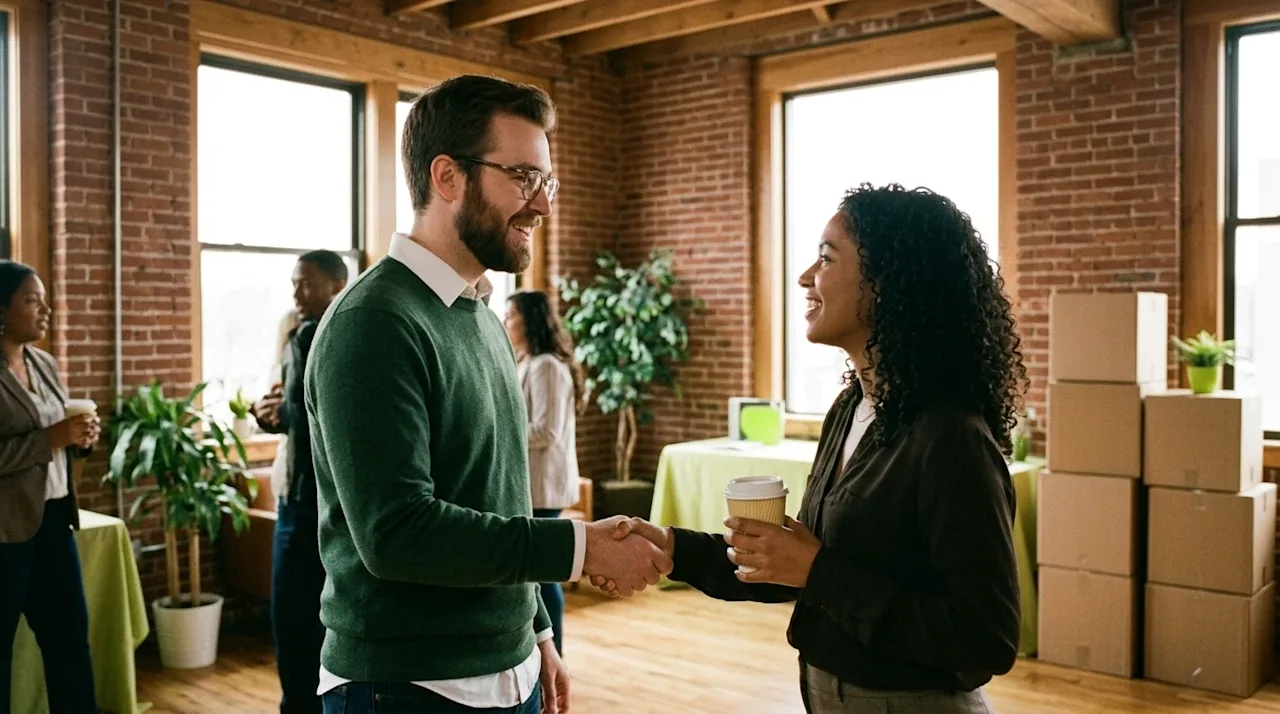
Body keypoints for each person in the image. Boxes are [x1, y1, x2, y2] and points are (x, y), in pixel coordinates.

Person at [305, 74, 671, 714]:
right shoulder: (374, 323)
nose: (543, 205)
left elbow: (498, 496)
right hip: (407, 686)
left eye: (545, 181)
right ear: (447, 178)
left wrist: (535, 632)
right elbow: (397, 534)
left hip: (509, 668)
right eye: (523, 178)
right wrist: (580, 550)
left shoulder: (478, 315)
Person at [602, 184, 1026, 713]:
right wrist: (671, 547)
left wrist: (818, 570)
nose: (805, 277)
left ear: (888, 282)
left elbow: (986, 637)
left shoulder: (949, 436)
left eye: (826, 259)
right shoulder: (850, 409)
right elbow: (793, 565)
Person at [0, 260, 101, 714]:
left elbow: (56, 441)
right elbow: (43, 441)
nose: (47, 310)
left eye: (45, 300)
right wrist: (50, 440)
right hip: (4, 533)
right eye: (32, 300)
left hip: (55, 521)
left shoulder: (45, 363)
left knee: (70, 644)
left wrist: (79, 441)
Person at [252, 251, 348, 714]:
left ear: (336, 284)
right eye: (293, 284)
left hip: (311, 500)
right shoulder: (301, 331)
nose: (296, 293)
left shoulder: (318, 334)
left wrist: (283, 414)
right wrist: (272, 414)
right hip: (303, 492)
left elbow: (320, 417)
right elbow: (296, 411)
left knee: (293, 616)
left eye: (305, 284)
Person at [504, 289, 586, 656]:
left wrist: (497, 434)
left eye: (511, 315)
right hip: (531, 484)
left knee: (542, 576)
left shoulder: (547, 366)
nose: (506, 323)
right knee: (536, 575)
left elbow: (546, 430)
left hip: (543, 485)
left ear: (530, 320)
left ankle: (555, 656)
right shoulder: (526, 362)